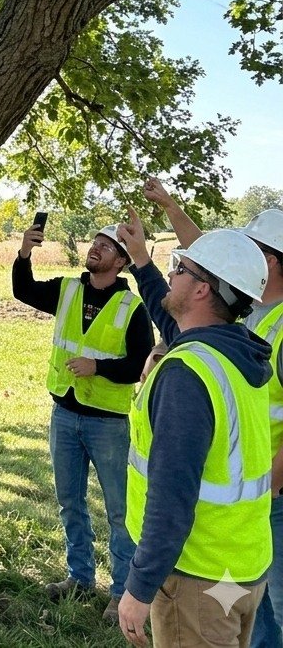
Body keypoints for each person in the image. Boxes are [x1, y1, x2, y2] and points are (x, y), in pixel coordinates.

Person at [116, 216, 272, 647]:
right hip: (240, 567)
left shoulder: (188, 374)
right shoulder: (236, 353)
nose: (172, 274)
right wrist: (141, 262)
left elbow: (171, 496)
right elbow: (175, 326)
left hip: (196, 577)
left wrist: (139, 588)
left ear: (203, 289)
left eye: (180, 268)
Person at [12, 222, 154, 622]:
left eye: (106, 247)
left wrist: (98, 366)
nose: (96, 249)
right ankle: (79, 577)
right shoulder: (68, 289)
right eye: (95, 242)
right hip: (65, 414)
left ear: (122, 262)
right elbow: (23, 290)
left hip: (107, 423)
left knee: (118, 512)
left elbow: (138, 366)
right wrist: (24, 252)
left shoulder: (133, 308)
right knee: (70, 502)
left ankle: (122, 590)